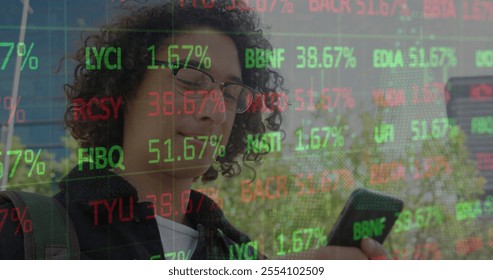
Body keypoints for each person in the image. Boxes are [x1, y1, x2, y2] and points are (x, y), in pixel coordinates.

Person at [0, 0, 388, 259]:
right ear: (126, 87)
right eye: (190, 78)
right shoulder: (22, 230)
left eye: (232, 93)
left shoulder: (245, 257)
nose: (215, 111)